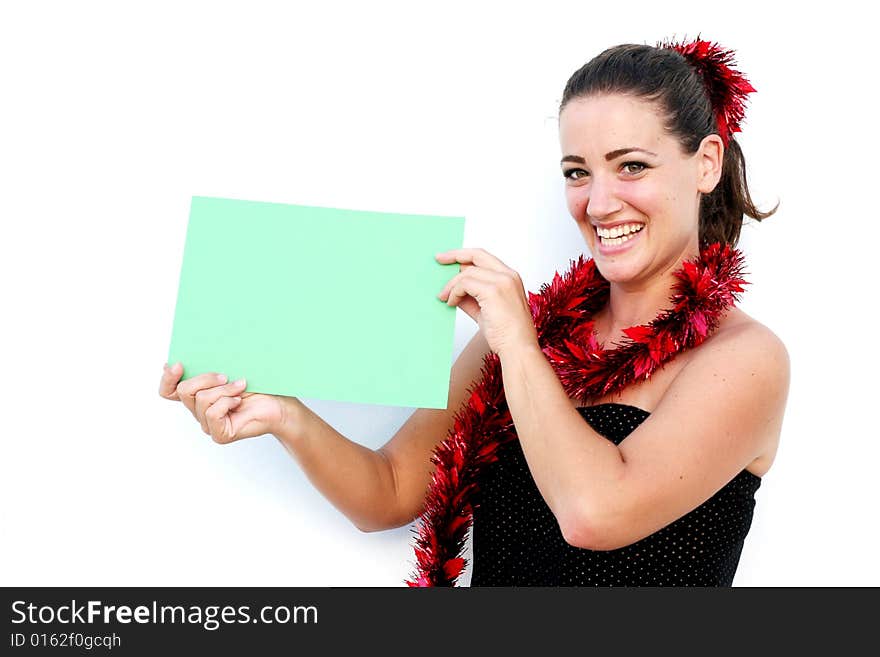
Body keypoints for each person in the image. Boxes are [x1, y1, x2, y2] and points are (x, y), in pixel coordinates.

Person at [158, 38, 789, 587]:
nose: (599, 203)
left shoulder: (745, 360)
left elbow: (596, 512)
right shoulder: (523, 337)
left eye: (631, 166)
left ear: (704, 163)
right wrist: (283, 415)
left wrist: (516, 344)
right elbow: (390, 490)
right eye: (577, 172)